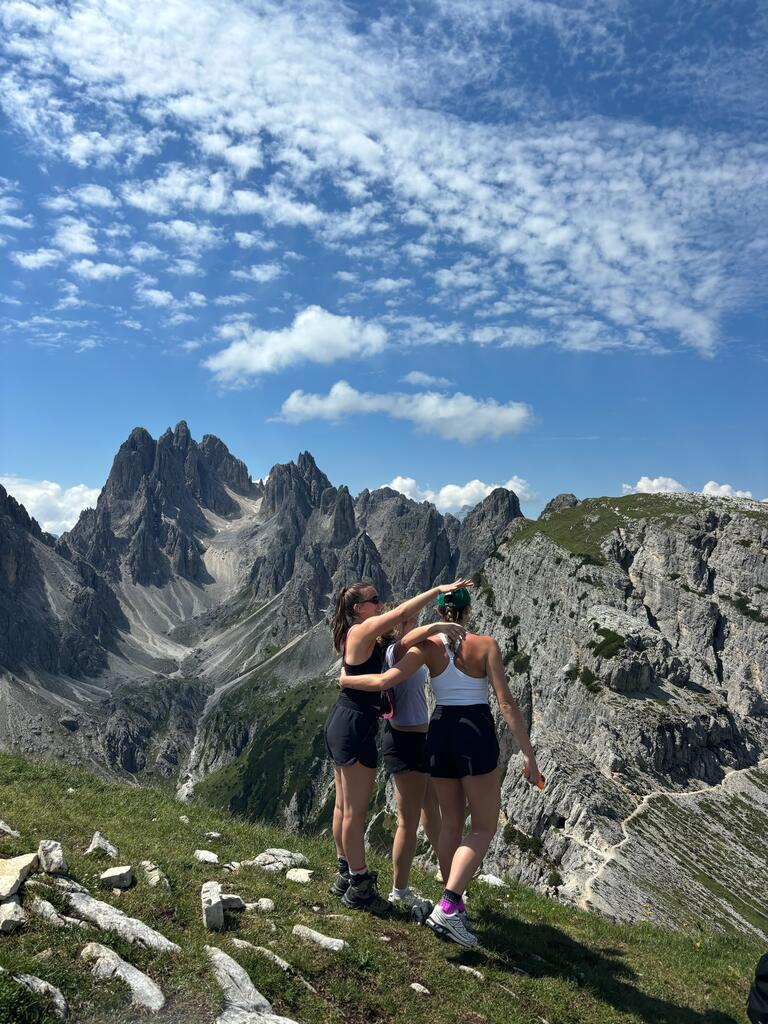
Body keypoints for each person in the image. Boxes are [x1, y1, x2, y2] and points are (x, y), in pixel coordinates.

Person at [340, 586, 543, 946]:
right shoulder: (486, 645)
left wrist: (348, 678)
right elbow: (507, 704)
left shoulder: (427, 648)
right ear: (467, 612)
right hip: (474, 731)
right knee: (482, 826)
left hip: (439, 731)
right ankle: (449, 906)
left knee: (448, 824)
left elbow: (390, 676)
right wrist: (527, 752)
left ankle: (455, 906)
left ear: (441, 612)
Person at [325, 577, 473, 917]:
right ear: (358, 608)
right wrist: (438, 594)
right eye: (374, 600)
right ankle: (361, 886)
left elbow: (404, 628)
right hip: (359, 724)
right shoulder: (364, 631)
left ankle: (346, 875)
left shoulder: (364, 637)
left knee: (343, 806)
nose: (380, 604)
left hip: (347, 720)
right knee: (354, 812)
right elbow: (403, 621)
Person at [378, 611, 465, 911]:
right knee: (408, 820)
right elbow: (410, 639)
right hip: (405, 742)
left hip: (418, 739)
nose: (414, 623)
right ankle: (399, 890)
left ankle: (450, 885)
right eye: (409, 620)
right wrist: (440, 625)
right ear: (397, 628)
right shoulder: (396, 650)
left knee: (432, 812)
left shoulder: (405, 649)